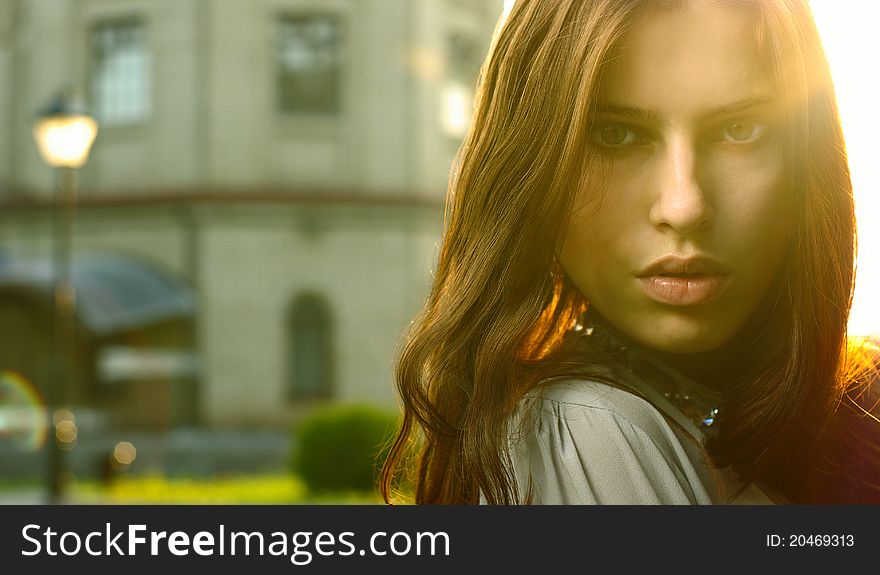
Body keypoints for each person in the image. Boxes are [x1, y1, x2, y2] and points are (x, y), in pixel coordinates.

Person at [380, 0, 880, 504]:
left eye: (739, 131)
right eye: (615, 134)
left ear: (809, 162)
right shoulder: (586, 430)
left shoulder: (847, 409)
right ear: (532, 167)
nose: (684, 207)